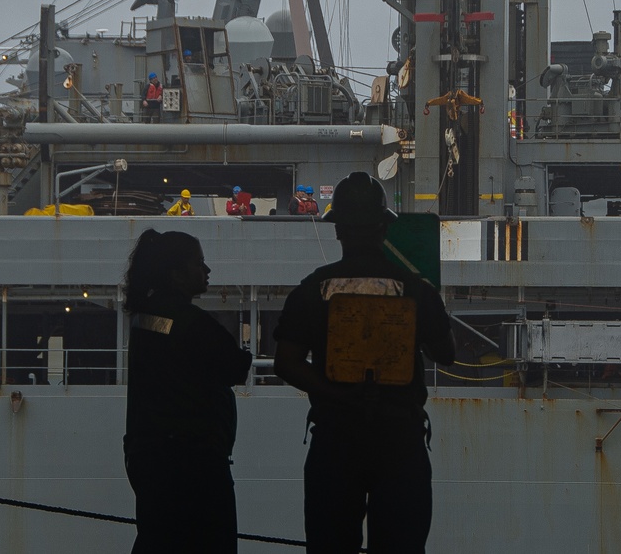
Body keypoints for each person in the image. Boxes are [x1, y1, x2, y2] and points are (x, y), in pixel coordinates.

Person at [273, 171, 455, 554]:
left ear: (337, 229)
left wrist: (339, 395)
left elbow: (287, 363)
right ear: (382, 229)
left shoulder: (312, 289)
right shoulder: (417, 290)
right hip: (399, 442)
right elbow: (447, 355)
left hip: (335, 441)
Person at [123, 229, 253, 554]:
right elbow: (236, 367)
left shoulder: (146, 317)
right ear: (177, 275)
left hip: (150, 456)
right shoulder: (190, 321)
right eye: (198, 263)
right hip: (194, 464)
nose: (206, 271)